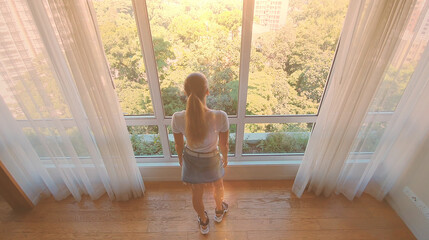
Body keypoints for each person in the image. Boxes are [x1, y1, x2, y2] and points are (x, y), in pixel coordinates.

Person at [171, 72, 229, 235]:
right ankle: (219, 211)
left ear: (185, 92)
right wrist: (225, 158)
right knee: (218, 186)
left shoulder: (177, 118)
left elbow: (178, 144)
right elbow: (223, 144)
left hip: (191, 159)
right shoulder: (220, 116)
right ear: (207, 91)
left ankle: (203, 222)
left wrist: (181, 160)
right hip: (212, 158)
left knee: (196, 193)